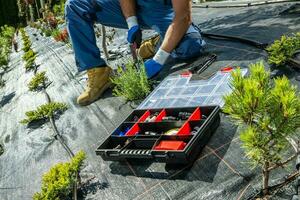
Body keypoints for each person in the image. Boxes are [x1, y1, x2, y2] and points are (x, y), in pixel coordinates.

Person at [65, 0, 205, 106]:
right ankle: (97, 70)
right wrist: (132, 22)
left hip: (162, 10)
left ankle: (160, 44)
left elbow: (183, 16)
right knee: (75, 5)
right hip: (132, 5)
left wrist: (159, 59)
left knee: (190, 46)